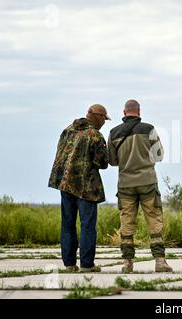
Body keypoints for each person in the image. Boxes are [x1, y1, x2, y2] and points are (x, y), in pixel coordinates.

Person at [108, 99, 172, 273]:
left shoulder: (114, 133)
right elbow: (159, 156)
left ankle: (127, 263)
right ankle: (160, 261)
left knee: (127, 223)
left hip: (125, 184)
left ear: (124, 112)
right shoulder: (149, 129)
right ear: (139, 111)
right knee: (154, 221)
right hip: (148, 182)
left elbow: (112, 161)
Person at [48, 104, 110, 272]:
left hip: (65, 185)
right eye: (104, 118)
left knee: (67, 224)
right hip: (86, 187)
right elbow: (103, 163)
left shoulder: (67, 130)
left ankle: (69, 264)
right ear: (97, 116)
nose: (104, 122)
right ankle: (87, 265)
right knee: (88, 225)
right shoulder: (95, 135)